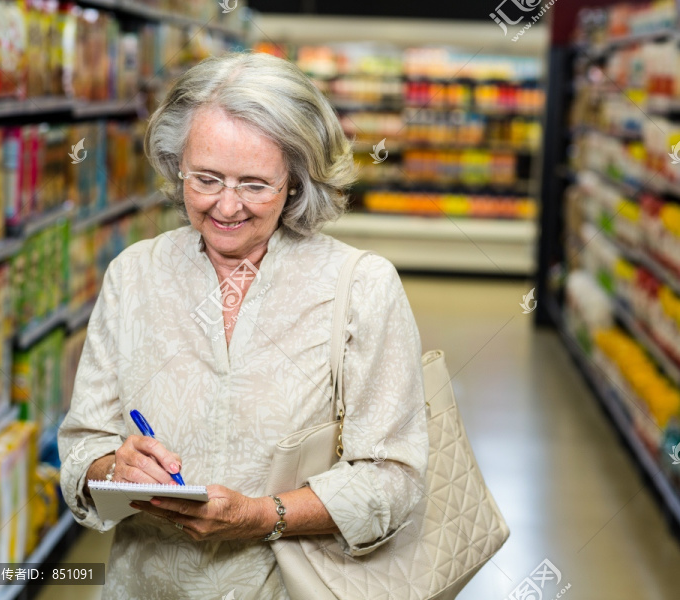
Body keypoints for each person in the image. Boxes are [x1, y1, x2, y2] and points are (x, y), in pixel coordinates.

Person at [58, 51, 429, 599]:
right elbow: (80, 446)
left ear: (297, 182)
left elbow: (394, 479)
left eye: (255, 185)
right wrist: (112, 464)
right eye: (205, 178)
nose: (226, 207)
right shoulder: (134, 274)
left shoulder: (362, 287)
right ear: (176, 165)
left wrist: (261, 515)